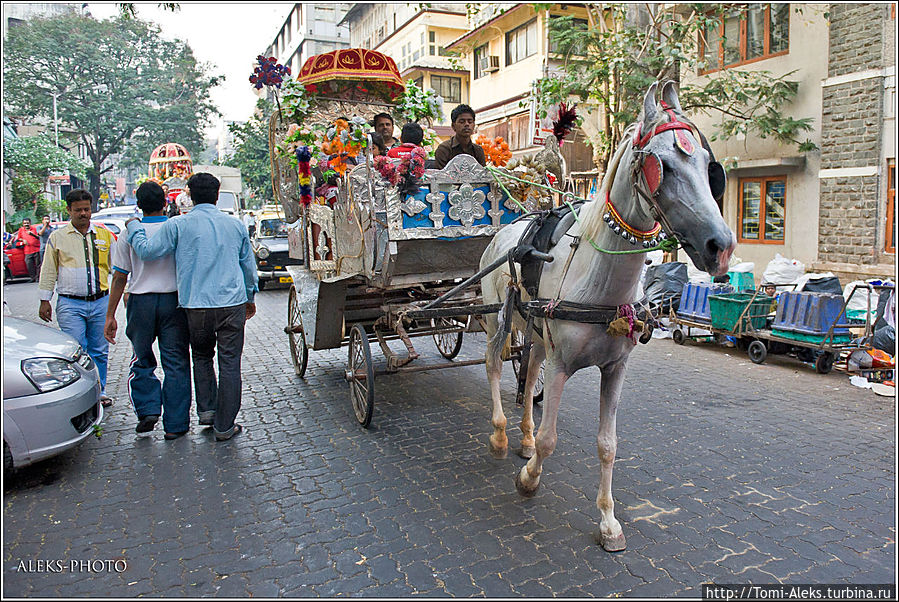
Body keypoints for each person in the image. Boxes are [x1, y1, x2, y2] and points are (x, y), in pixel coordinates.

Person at [126, 173, 258, 442]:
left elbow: (147, 251)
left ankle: (208, 410)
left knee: (201, 356)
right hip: (231, 304)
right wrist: (250, 298)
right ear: (217, 194)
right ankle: (224, 426)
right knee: (230, 364)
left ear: (190, 195)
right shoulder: (235, 226)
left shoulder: (178, 225)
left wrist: (133, 227)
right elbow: (248, 267)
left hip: (195, 307)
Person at [104, 182, 192, 440]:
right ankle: (176, 424)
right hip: (173, 301)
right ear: (166, 202)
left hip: (140, 302)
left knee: (141, 358)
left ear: (138, 204)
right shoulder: (176, 228)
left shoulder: (130, 232)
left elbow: (120, 277)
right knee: (175, 361)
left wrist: (110, 314)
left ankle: (148, 409)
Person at [38, 189, 115, 407]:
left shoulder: (104, 235)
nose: (83, 214)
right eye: (78, 210)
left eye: (87, 209)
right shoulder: (57, 237)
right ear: (69, 210)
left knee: (100, 350)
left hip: (100, 302)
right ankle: (81, 395)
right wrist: (45, 300)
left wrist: (124, 293)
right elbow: (49, 270)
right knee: (76, 350)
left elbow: (117, 268)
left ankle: (100, 392)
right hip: (70, 304)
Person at [434, 104, 486, 169]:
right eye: (462, 122)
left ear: (474, 125)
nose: (467, 124)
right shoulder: (444, 149)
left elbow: (483, 176)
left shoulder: (478, 150)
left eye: (470, 121)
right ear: (453, 126)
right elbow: (440, 176)